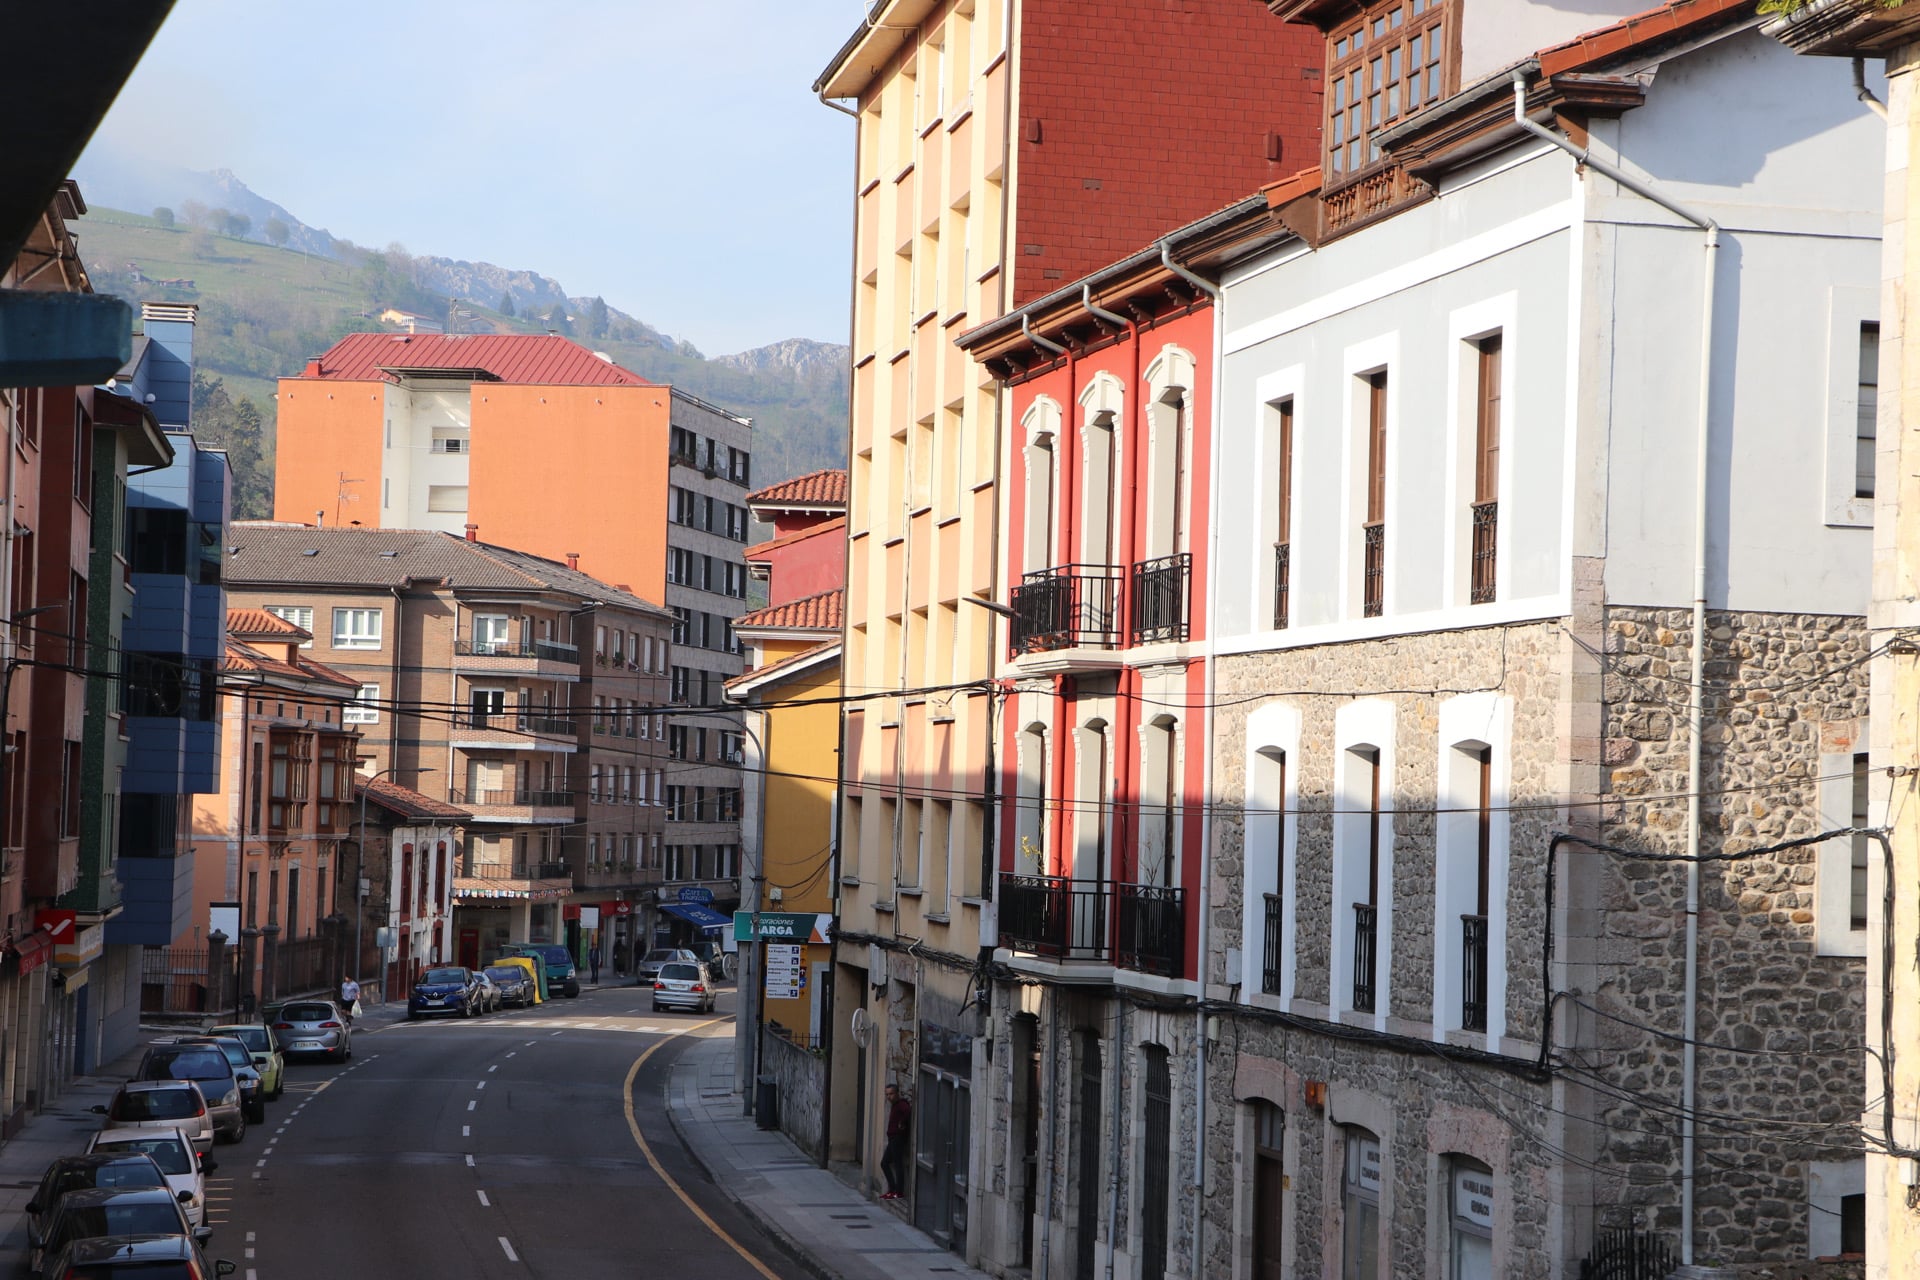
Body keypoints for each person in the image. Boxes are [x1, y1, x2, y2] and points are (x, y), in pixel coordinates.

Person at [880, 1082, 911, 1200]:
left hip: (898, 1138)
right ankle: (892, 1190)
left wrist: (902, 1123)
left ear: (897, 1093)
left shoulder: (901, 1104)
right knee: (885, 1163)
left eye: (891, 1094)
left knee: (897, 1164)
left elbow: (908, 1111)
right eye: (887, 1094)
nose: (889, 1097)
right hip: (893, 1138)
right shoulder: (894, 1105)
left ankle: (898, 1191)